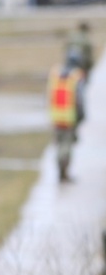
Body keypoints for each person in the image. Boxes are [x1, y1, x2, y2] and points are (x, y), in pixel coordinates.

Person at [47, 50, 86, 182]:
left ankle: (60, 170)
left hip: (56, 117)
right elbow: (79, 100)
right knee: (66, 146)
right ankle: (63, 172)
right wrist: (81, 116)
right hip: (69, 118)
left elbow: (48, 96)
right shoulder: (75, 77)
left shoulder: (55, 76)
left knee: (59, 144)